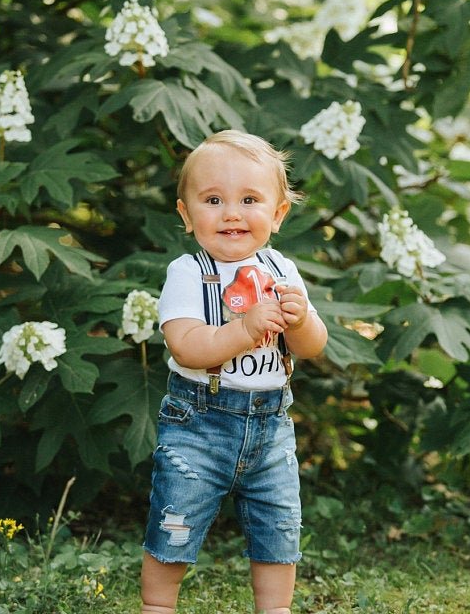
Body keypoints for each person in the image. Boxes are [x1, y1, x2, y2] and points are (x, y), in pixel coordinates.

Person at [141, 130, 328, 614]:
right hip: (199, 424)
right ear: (185, 214)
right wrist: (244, 329)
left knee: (279, 524)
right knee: (175, 518)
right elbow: (186, 347)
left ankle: (276, 608)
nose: (231, 213)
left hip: (271, 425)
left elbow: (310, 347)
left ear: (278, 213)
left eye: (249, 199)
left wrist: (302, 317)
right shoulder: (187, 272)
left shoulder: (281, 269)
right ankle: (157, 606)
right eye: (213, 199)